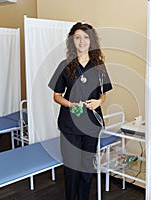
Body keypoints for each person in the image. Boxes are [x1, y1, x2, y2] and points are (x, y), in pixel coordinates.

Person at [48, 22, 113, 200]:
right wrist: (70, 104)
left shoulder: (98, 65)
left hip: (91, 124)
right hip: (70, 125)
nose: (82, 41)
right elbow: (56, 95)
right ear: (72, 41)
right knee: (71, 167)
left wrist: (98, 102)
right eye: (77, 37)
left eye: (86, 37)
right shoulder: (65, 65)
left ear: (91, 41)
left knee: (86, 167)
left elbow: (103, 94)